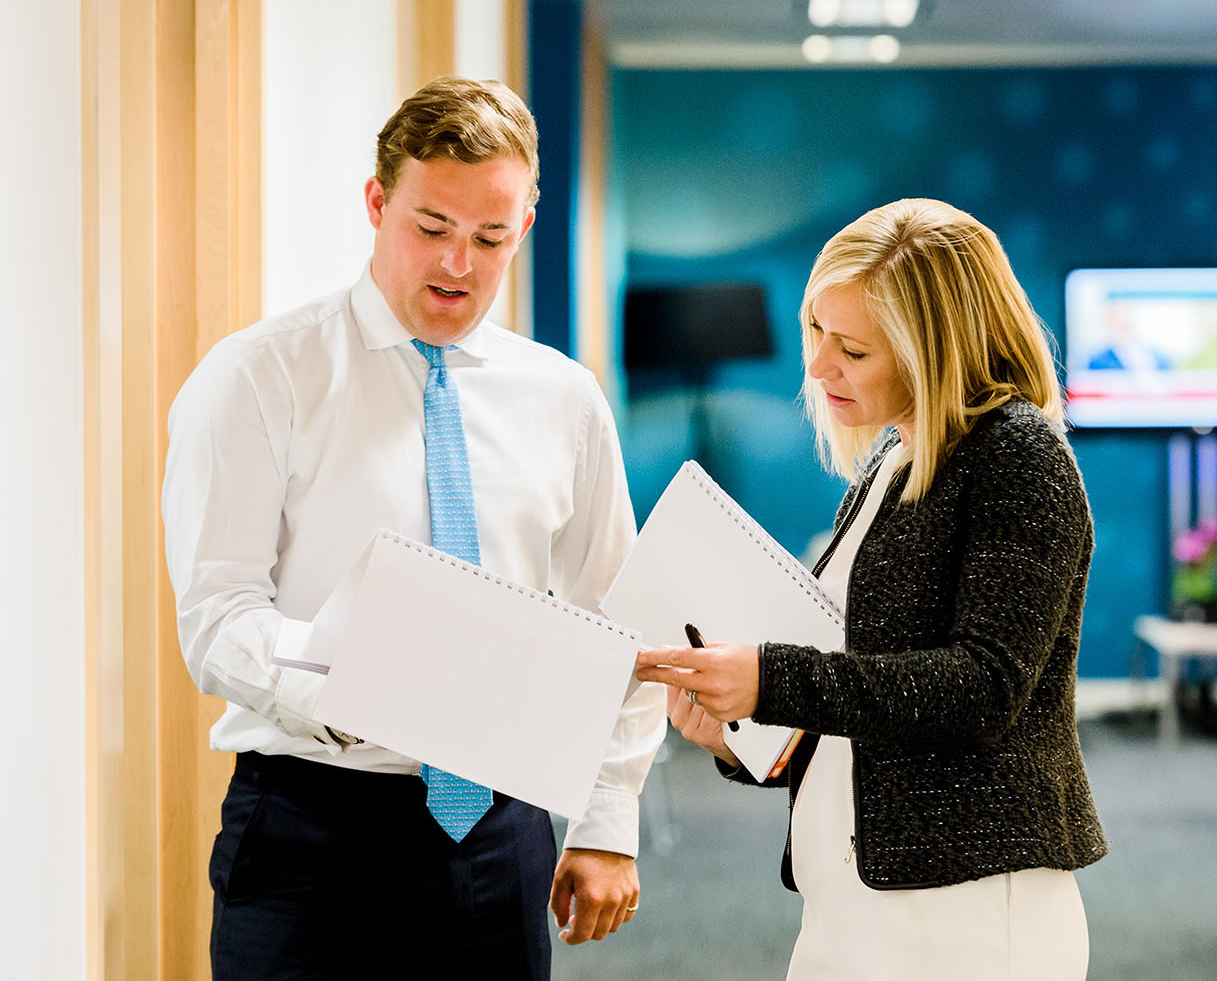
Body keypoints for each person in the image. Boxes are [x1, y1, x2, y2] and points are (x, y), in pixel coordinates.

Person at [162, 75, 664, 980]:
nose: (457, 265)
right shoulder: (259, 378)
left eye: (489, 237)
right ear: (377, 202)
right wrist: (361, 689)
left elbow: (617, 619)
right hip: (310, 830)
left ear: (524, 229)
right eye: (431, 229)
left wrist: (605, 819)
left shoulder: (563, 398)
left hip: (501, 828)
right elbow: (216, 615)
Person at [635, 198, 1108, 979]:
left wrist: (771, 679)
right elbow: (864, 688)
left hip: (967, 908)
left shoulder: (1017, 457)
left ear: (934, 350)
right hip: (858, 892)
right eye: (816, 332)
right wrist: (741, 733)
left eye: (851, 349)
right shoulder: (890, 460)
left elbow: (985, 687)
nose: (818, 368)